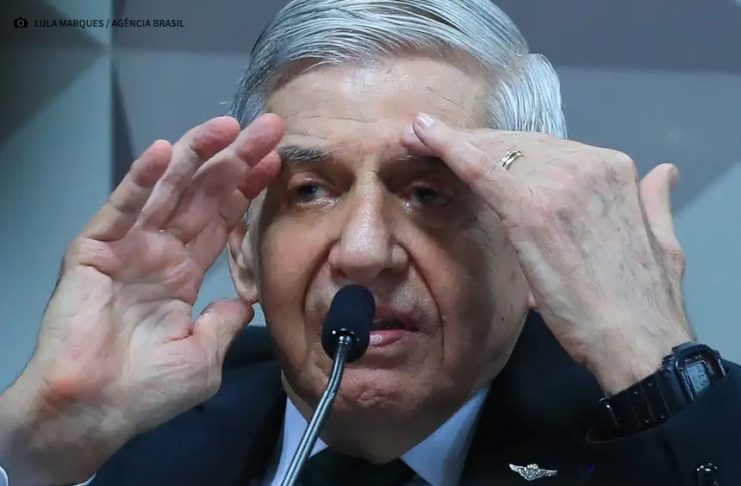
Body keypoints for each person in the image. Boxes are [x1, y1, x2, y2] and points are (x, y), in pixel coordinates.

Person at [1, 0, 739, 485]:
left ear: (530, 246)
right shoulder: (140, 442)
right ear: (243, 252)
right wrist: (38, 446)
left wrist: (652, 362)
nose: (361, 251)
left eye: (428, 192)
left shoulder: (666, 437)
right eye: (309, 190)